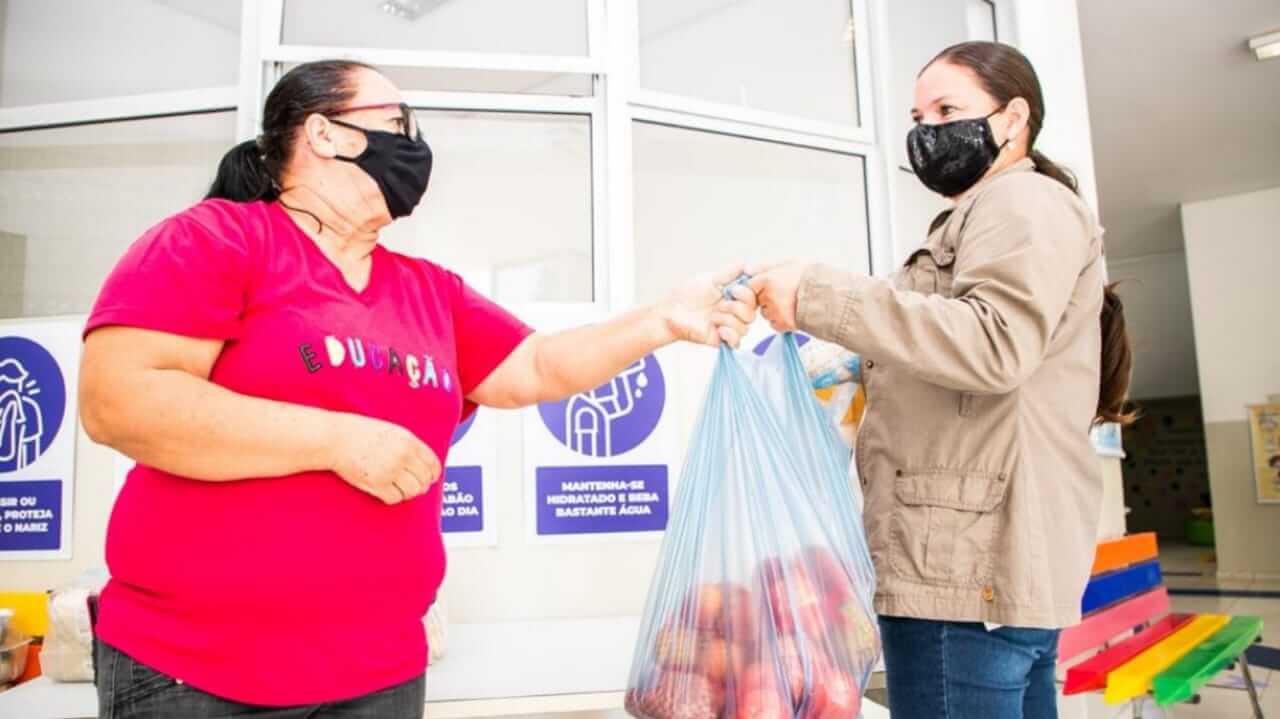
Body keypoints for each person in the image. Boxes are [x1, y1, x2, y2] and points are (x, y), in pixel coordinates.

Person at [78, 60, 756, 718]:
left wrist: (664, 318)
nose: (414, 146)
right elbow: (120, 401)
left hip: (380, 674)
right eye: (397, 124)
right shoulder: (216, 239)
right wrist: (338, 440)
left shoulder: (429, 289)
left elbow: (540, 367)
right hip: (197, 673)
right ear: (325, 133)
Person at [749, 42, 1135, 719]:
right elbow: (961, 344)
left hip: (963, 570)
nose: (928, 131)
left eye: (947, 110)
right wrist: (851, 354)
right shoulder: (999, 211)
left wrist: (816, 296)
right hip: (984, 564)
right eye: (917, 117)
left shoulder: (1020, 201)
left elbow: (995, 341)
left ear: (1013, 118)